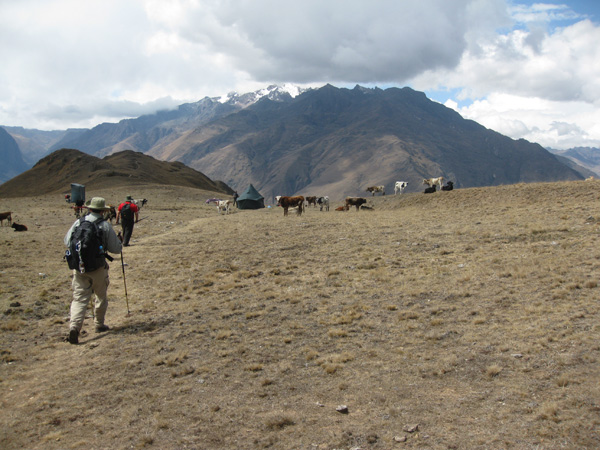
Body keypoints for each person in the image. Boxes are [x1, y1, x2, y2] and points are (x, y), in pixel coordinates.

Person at [64, 197, 122, 344]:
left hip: (79, 268)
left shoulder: (79, 222)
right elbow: (116, 249)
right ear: (103, 210)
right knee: (101, 296)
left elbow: (67, 241)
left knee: (79, 298)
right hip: (98, 268)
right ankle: (99, 324)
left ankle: (74, 327)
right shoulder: (104, 226)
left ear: (89, 208)